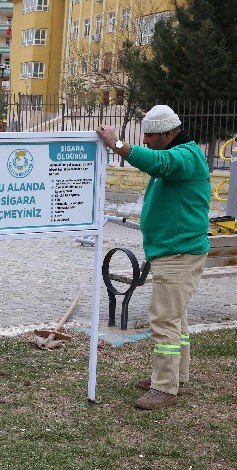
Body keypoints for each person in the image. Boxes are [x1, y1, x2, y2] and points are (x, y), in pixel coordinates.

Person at [96, 105, 211, 410]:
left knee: (164, 319)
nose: (145, 140)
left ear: (170, 134)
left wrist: (118, 144)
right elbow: (158, 162)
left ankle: (164, 387)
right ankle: (177, 376)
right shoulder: (177, 157)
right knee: (177, 321)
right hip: (172, 251)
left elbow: (158, 162)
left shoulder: (185, 156)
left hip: (178, 254)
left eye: (150, 135)